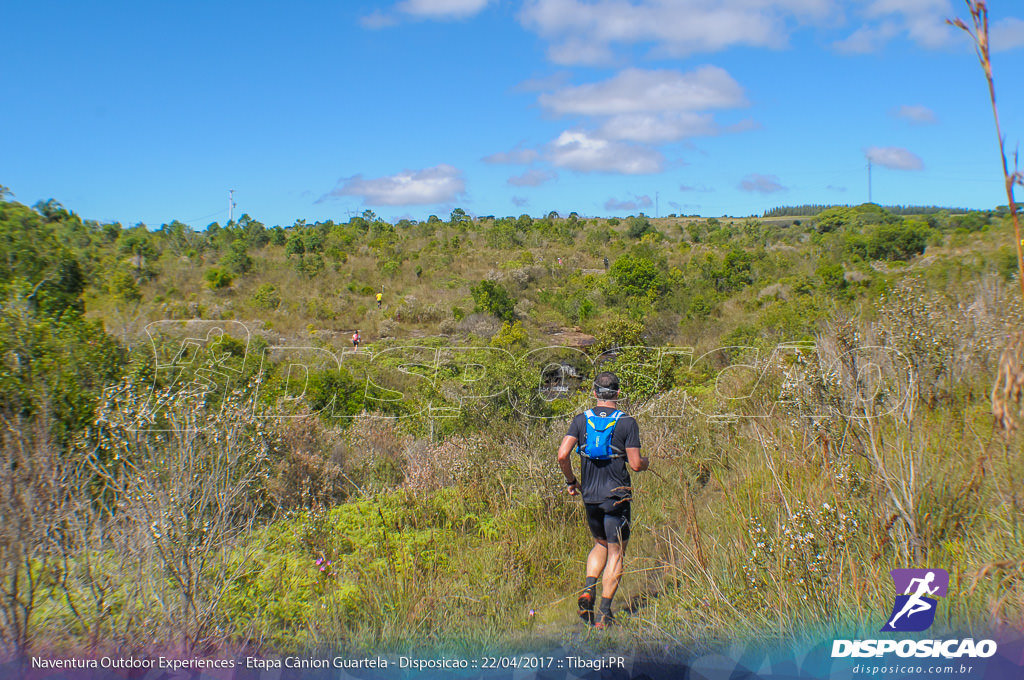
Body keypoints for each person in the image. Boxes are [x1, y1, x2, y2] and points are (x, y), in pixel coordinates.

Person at [556, 371, 648, 628]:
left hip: (590, 497)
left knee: (599, 545)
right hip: (617, 497)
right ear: (618, 393)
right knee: (616, 553)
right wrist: (647, 463)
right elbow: (636, 464)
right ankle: (604, 615)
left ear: (595, 393)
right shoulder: (627, 422)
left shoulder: (580, 420)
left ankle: (588, 588)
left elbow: (563, 455)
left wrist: (571, 481)